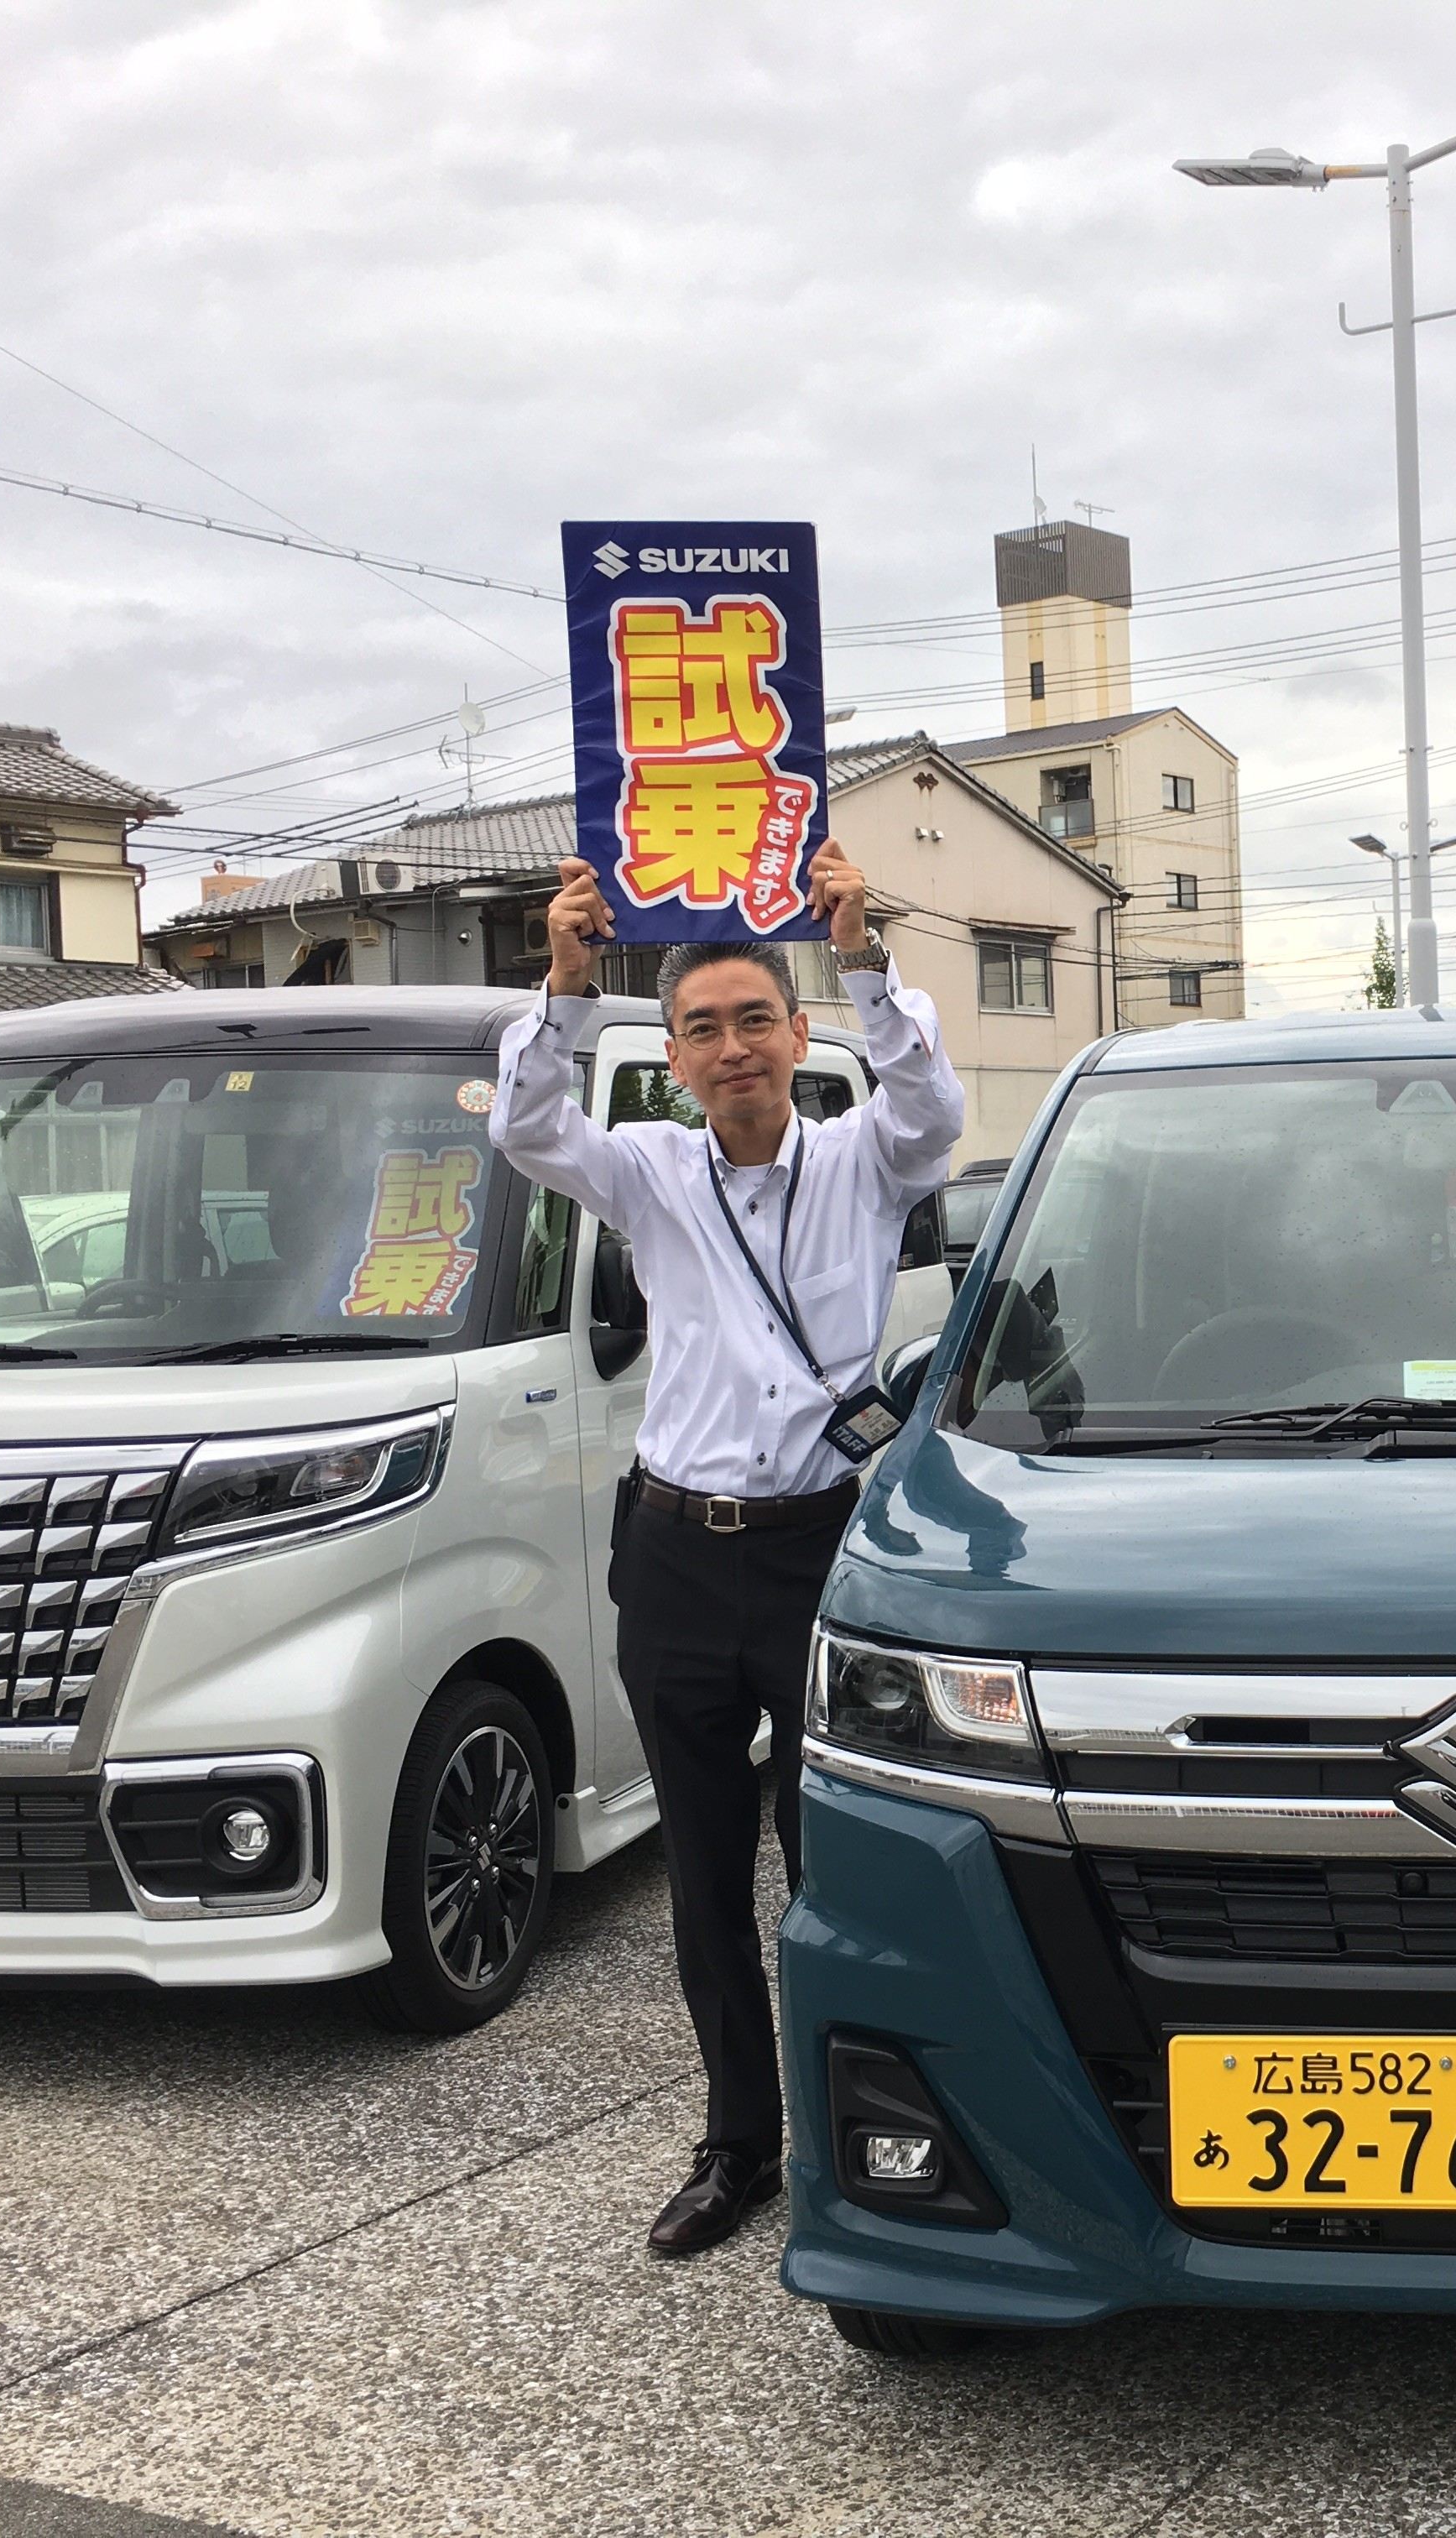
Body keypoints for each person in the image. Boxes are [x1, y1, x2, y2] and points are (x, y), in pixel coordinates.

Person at [488, 842, 962, 2254]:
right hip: (676, 1557)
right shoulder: (644, 1173)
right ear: (677, 1061)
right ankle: (739, 2144)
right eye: (703, 1028)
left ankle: (861, 2136)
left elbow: (932, 1104)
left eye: (757, 1018)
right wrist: (565, 985)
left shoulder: (866, 1161)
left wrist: (864, 957)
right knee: (701, 1882)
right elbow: (525, 1127)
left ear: (800, 1035)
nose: (734, 1046)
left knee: (836, 1874)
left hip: (822, 1555)